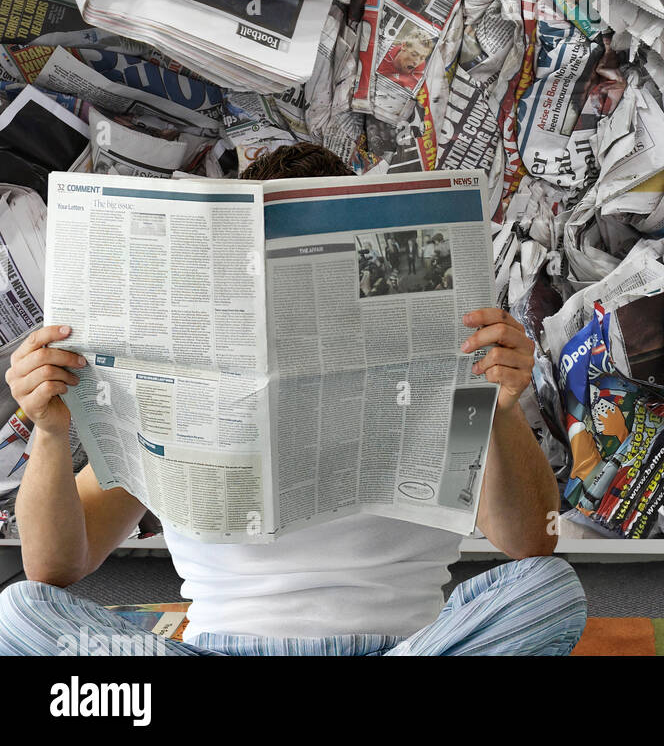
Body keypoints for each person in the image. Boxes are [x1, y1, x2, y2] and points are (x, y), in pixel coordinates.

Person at [0, 142, 585, 656]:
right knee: (20, 614)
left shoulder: (441, 370)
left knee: (548, 593)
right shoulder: (167, 389)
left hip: (403, 649)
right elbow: (54, 568)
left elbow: (533, 543)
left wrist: (504, 408)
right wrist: (50, 433)